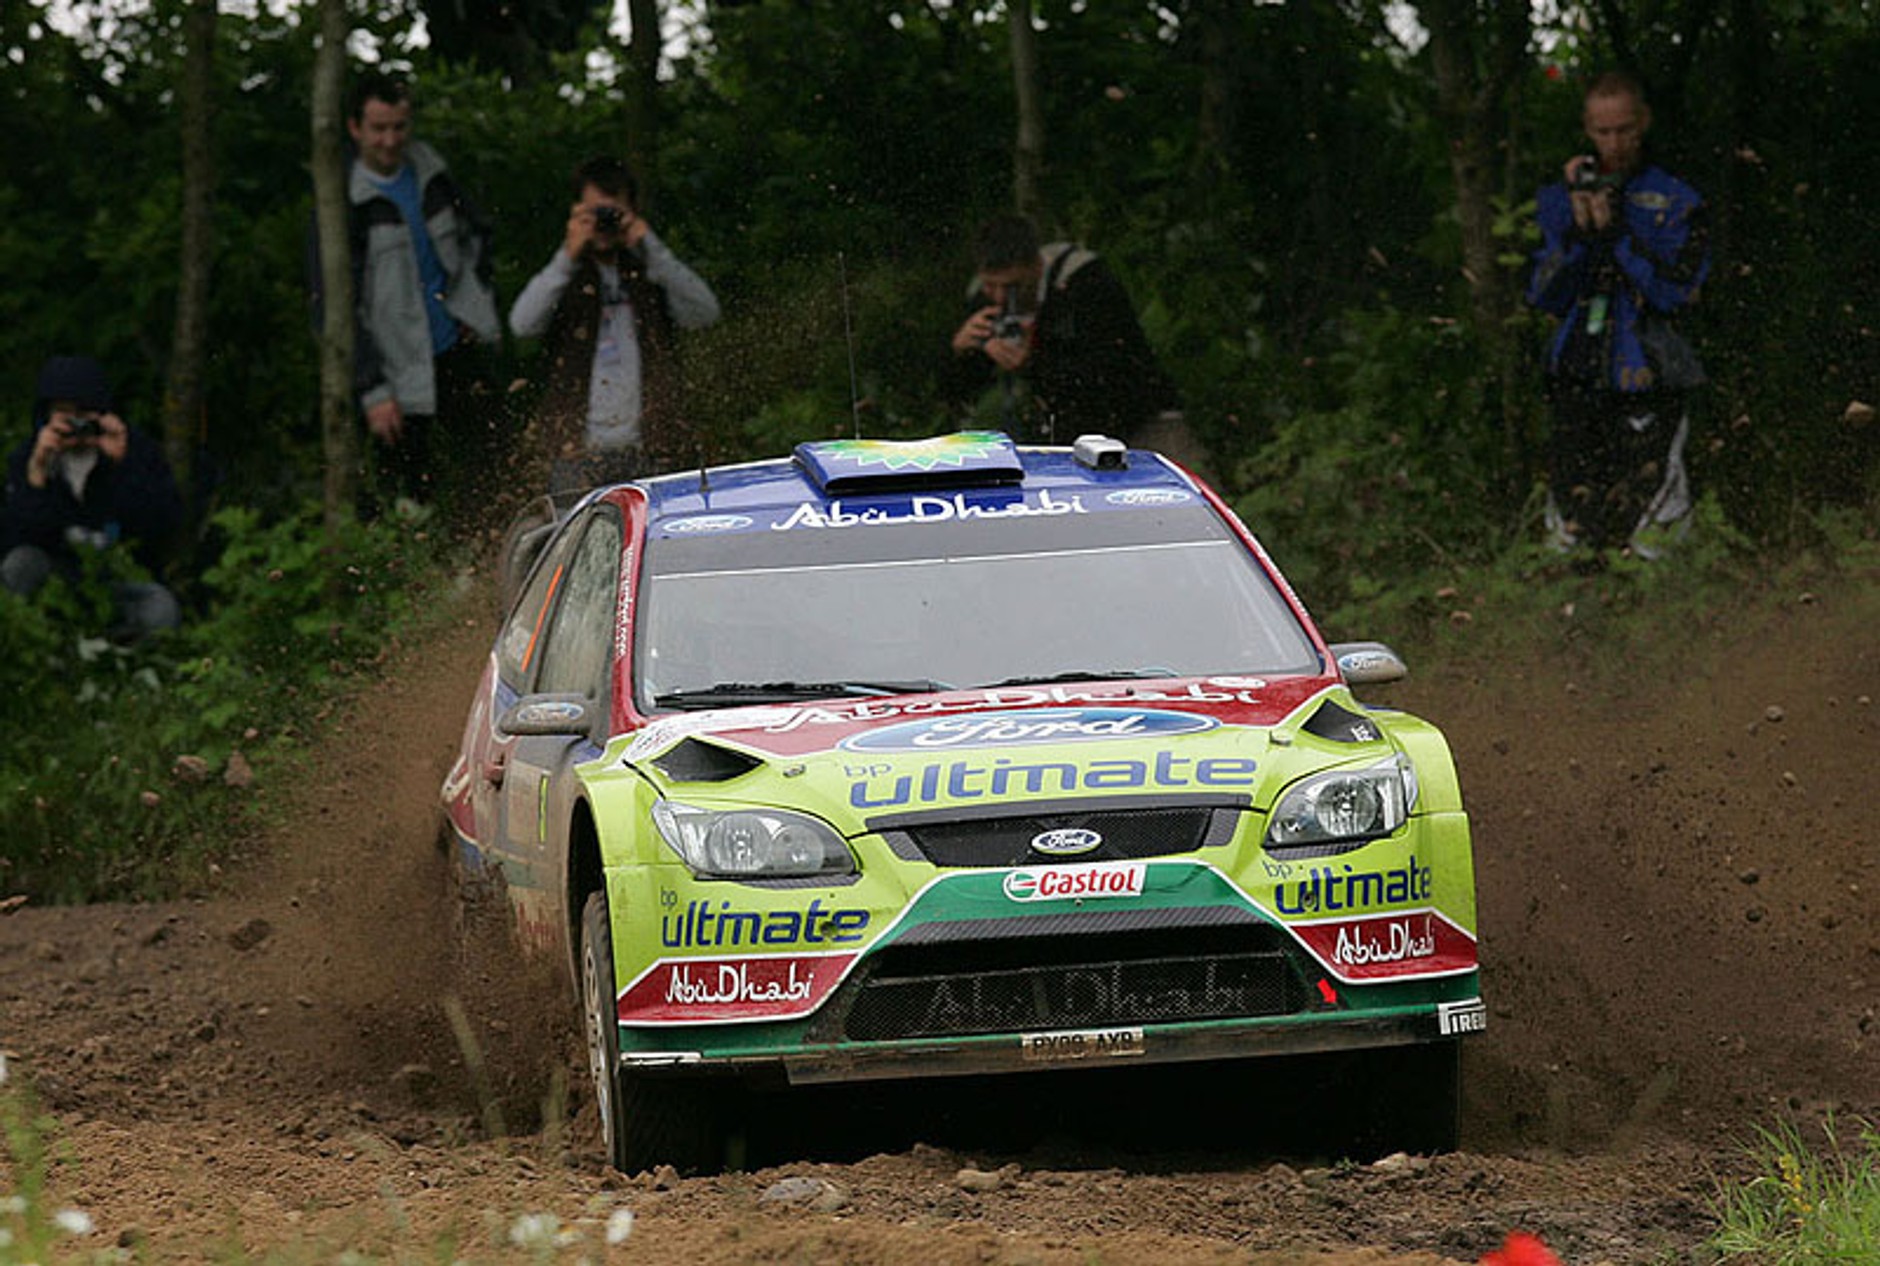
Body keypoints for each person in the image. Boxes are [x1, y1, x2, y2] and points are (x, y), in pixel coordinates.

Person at [1528, 70, 1710, 558]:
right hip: (1577, 374)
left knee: (1653, 532)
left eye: (1624, 130)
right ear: (1587, 130)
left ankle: (1662, 598)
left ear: (1643, 122)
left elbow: (1678, 292)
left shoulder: (1676, 198)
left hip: (1651, 376)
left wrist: (1617, 235)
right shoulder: (1560, 198)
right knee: (1573, 530)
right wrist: (1579, 231)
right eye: (1603, 131)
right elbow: (1543, 294)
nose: (1614, 143)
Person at [311, 71, 503, 510]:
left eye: (399, 127)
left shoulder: (433, 174)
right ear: (355, 127)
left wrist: (474, 307)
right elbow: (332, 307)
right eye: (378, 128)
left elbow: (478, 237)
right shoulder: (343, 202)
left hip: (454, 348)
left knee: (494, 466)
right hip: (393, 370)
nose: (390, 140)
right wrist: (371, 388)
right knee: (408, 499)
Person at [508, 156, 721, 491]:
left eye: (612, 212)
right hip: (575, 448)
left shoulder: (649, 272)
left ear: (632, 211)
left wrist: (650, 247)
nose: (603, 221)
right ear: (577, 212)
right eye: (594, 212)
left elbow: (705, 313)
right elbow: (522, 325)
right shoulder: (566, 276)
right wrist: (567, 255)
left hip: (650, 444)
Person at [944, 212, 1177, 444]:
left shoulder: (1086, 284)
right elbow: (956, 394)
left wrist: (1034, 360)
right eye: (990, 286)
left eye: (1012, 287)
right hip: (1057, 434)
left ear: (1036, 265)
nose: (1000, 297)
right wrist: (960, 351)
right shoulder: (984, 302)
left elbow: (1111, 374)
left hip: (1140, 421)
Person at [2, 355, 184, 638]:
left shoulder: (137, 451)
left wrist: (121, 465)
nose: (76, 425)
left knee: (161, 608)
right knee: (20, 564)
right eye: (65, 414)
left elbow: (161, 524)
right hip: (56, 581)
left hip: (119, 578)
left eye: (84, 413)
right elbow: (15, 538)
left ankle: (121, 648)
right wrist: (37, 474)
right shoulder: (28, 458)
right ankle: (37, 638)